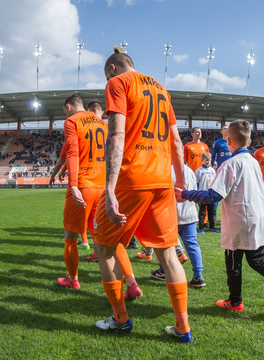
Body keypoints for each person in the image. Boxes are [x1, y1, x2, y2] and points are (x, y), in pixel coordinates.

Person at [94, 47, 192, 343]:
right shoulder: (161, 88)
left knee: (104, 247)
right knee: (168, 254)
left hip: (132, 177)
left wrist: (110, 187)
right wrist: (181, 181)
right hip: (163, 178)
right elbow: (176, 140)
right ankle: (182, 327)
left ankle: (121, 319)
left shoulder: (118, 83)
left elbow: (117, 135)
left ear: (112, 68)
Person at [176, 120, 264, 314]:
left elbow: (213, 195)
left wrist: (185, 194)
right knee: (257, 261)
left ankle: (235, 301)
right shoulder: (253, 162)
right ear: (249, 140)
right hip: (255, 218)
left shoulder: (230, 165)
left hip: (239, 221)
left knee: (234, 262)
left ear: (228, 141)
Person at [56, 94, 107, 289]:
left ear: (68, 107)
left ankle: (73, 279)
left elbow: (72, 153)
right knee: (107, 240)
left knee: (70, 239)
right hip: (102, 187)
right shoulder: (103, 124)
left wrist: (74, 184)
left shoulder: (71, 121)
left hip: (84, 185)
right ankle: (130, 281)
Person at [150, 164, 205, 287]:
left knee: (165, 245)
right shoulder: (189, 170)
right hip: (189, 213)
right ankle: (198, 276)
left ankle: (163, 271)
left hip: (170, 214)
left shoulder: (164, 169)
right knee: (192, 245)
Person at [195, 153, 218, 233]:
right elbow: (196, 182)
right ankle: (201, 228)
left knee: (211, 211)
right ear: (202, 160)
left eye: (209, 160)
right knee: (202, 212)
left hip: (210, 193)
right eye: (206, 160)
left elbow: (215, 181)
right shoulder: (199, 171)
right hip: (202, 194)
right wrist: (197, 193)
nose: (208, 161)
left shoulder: (212, 170)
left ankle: (212, 227)